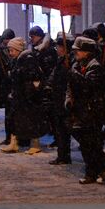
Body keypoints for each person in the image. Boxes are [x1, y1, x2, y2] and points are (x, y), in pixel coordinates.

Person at [67, 36, 105, 184]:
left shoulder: (96, 67)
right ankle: (91, 172)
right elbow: (71, 87)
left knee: (93, 143)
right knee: (85, 144)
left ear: (87, 52)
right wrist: (69, 99)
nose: (75, 53)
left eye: (78, 50)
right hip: (80, 110)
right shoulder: (76, 65)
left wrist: (74, 76)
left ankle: (102, 168)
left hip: (94, 110)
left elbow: (88, 86)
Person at [5, 36, 48, 155]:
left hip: (27, 97)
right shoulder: (18, 60)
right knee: (15, 119)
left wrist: (29, 93)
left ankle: (35, 144)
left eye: (12, 50)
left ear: (18, 50)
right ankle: (14, 142)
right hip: (19, 95)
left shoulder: (27, 59)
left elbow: (33, 78)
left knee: (31, 120)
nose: (10, 53)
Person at [48, 35, 73, 165]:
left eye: (58, 46)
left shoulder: (69, 62)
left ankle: (64, 155)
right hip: (58, 97)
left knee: (64, 129)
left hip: (64, 99)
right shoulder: (61, 60)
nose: (57, 49)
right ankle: (62, 155)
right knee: (61, 129)